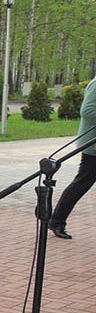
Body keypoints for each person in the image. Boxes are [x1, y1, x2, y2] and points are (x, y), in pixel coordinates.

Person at [48, 79, 96, 240]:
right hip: (93, 146)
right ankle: (56, 221)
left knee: (82, 181)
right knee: (82, 183)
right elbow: (87, 110)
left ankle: (56, 220)